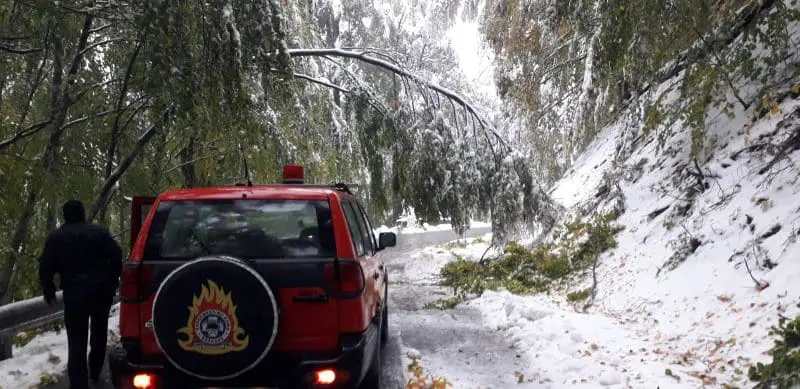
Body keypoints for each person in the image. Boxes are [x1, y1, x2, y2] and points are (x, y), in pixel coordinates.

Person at [38, 200, 123, 389]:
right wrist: (113, 277)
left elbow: (45, 267)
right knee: (99, 332)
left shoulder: (56, 238)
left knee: (76, 339)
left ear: (65, 215)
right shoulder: (99, 233)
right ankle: (95, 369)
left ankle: (78, 384)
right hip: (101, 292)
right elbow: (116, 253)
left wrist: (49, 290)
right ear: (82, 214)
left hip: (74, 294)